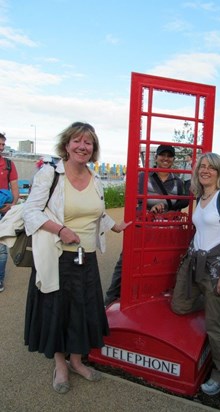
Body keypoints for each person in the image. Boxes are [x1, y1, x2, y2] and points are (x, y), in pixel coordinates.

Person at [23, 122, 130, 394]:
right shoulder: (50, 174)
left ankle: (76, 361)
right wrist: (60, 229)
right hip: (58, 256)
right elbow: (31, 212)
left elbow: (96, 213)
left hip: (87, 258)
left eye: (89, 143)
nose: (83, 147)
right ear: (67, 145)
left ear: (93, 150)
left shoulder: (95, 178)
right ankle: (60, 366)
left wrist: (114, 225)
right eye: (77, 141)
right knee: (57, 311)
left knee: (81, 311)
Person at [171, 152, 220, 396]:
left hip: (215, 268)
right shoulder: (201, 197)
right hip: (195, 263)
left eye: (211, 167)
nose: (205, 170)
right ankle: (214, 304)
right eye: (202, 166)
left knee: (214, 325)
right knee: (178, 305)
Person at [104, 144, 189, 306]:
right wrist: (149, 209)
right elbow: (133, 203)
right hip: (143, 228)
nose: (165, 159)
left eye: (169, 156)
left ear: (173, 159)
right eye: (162, 155)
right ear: (155, 158)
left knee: (159, 265)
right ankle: (110, 299)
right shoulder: (143, 177)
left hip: (165, 233)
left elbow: (180, 204)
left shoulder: (178, 181)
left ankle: (152, 298)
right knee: (125, 263)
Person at [0, 132, 19, 292]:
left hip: (4, 210)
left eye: (3, 145)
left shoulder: (8, 164)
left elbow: (15, 188)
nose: (1, 147)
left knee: (1, 248)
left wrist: (12, 205)